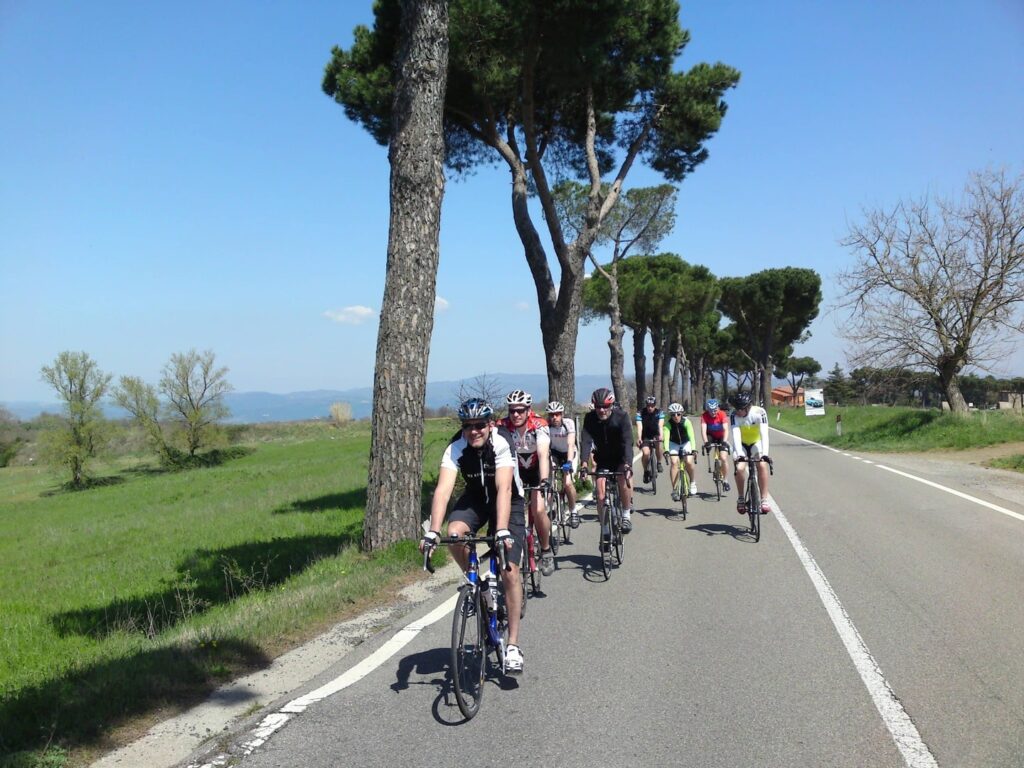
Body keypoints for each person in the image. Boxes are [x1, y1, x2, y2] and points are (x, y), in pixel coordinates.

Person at [420, 398, 527, 673]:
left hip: (509, 501)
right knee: (453, 533)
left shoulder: (502, 442)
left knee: (510, 570)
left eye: (480, 425)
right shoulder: (456, 447)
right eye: (468, 426)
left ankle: (513, 645)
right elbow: (443, 491)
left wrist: (501, 531)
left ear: (490, 425)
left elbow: (504, 488)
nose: (474, 431)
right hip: (476, 499)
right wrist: (432, 532)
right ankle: (476, 584)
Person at [496, 390, 555, 577]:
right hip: (516, 471)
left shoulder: (539, 424)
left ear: (528, 410)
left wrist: (545, 480)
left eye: (520, 410)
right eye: (512, 410)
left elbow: (544, 454)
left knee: (538, 510)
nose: (516, 415)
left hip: (537, 470)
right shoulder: (502, 426)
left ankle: (546, 551)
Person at [579, 388, 635, 544]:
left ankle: (625, 515)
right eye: (598, 407)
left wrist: (628, 464)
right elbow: (586, 441)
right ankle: (604, 530)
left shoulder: (621, 417)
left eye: (605, 406)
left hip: (620, 458)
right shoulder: (590, 418)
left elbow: (627, 442)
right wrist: (584, 463)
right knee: (600, 491)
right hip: (603, 458)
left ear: (611, 405)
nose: (601, 410)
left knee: (623, 479)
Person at [729, 390, 772, 514]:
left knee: (762, 465)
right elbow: (736, 435)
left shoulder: (760, 412)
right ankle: (741, 498)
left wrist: (765, 454)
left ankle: (764, 499)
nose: (738, 411)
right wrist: (740, 455)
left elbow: (764, 434)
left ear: (748, 407)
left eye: (741, 409)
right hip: (741, 445)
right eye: (736, 408)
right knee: (740, 468)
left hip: (756, 443)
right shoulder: (734, 415)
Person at [545, 400, 580, 528]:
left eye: (557, 414)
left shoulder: (568, 424)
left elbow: (571, 444)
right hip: (555, 453)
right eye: (552, 415)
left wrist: (569, 462)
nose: (554, 417)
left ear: (562, 414)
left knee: (567, 483)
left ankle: (573, 511)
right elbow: (545, 448)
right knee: (548, 480)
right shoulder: (546, 427)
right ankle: (552, 507)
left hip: (569, 453)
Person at [662, 402, 697, 501]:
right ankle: (674, 489)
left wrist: (694, 449)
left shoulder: (686, 422)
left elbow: (692, 437)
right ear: (670, 415)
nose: (676, 416)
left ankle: (692, 482)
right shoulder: (667, 425)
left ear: (681, 414)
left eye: (678, 414)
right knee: (674, 463)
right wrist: (667, 451)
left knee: (689, 461)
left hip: (686, 443)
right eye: (673, 414)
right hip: (674, 444)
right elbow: (666, 438)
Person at [699, 398, 732, 492]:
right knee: (708, 445)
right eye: (710, 410)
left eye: (715, 410)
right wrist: (706, 442)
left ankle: (725, 481)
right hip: (711, 436)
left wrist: (725, 441)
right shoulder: (704, 416)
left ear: (717, 408)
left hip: (721, 436)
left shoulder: (722, 414)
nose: (713, 412)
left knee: (723, 458)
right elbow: (703, 430)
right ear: (707, 410)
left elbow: (726, 429)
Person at [635, 395, 665, 485]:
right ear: (646, 405)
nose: (650, 408)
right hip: (645, 436)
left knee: (658, 444)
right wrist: (639, 438)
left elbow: (660, 426)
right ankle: (646, 471)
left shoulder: (659, 412)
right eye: (648, 405)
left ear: (655, 405)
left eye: (652, 406)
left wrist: (661, 436)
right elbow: (639, 427)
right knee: (646, 453)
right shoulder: (640, 413)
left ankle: (659, 462)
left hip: (656, 434)